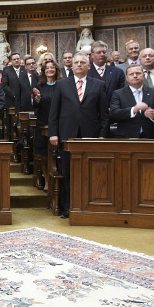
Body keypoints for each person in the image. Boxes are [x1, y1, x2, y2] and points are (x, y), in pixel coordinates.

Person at [48, 52, 109, 218]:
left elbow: (104, 114)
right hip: (67, 135)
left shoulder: (99, 85)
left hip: (91, 135)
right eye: (77, 63)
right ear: (72, 66)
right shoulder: (62, 85)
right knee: (68, 173)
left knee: (91, 172)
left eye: (83, 62)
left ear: (89, 66)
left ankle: (90, 206)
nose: (79, 65)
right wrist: (53, 133)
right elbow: (54, 112)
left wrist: (103, 135)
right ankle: (68, 208)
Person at [109, 64, 154, 138]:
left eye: (138, 73)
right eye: (131, 74)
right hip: (126, 137)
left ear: (143, 76)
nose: (135, 76)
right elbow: (114, 114)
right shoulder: (118, 94)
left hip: (150, 137)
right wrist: (134, 110)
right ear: (127, 78)